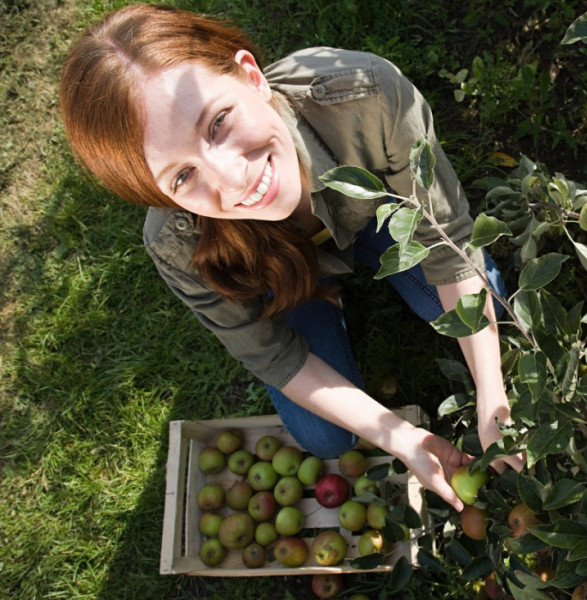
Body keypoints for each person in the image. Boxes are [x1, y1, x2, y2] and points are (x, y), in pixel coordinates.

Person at [59, 4, 524, 511]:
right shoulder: (178, 242)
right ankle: (319, 298)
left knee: (485, 310)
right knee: (324, 437)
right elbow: (272, 356)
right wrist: (401, 438)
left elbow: (448, 242)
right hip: (281, 277)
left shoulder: (366, 96)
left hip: (380, 217)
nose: (232, 180)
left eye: (217, 122)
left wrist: (491, 394)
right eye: (182, 177)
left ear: (252, 76)